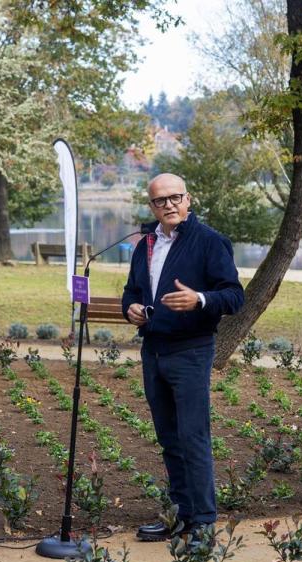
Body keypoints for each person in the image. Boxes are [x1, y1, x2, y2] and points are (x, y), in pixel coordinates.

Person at [122, 173, 244, 542]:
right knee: (169, 437)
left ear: (188, 199)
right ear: (152, 207)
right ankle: (181, 514)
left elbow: (234, 296)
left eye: (175, 197)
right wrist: (131, 309)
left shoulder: (209, 242)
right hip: (153, 349)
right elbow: (130, 292)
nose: (169, 205)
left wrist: (200, 299)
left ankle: (204, 521)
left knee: (193, 436)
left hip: (191, 350)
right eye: (161, 200)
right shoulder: (145, 244)